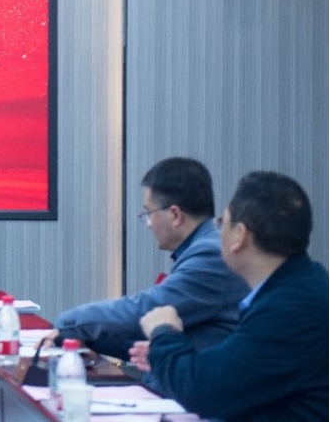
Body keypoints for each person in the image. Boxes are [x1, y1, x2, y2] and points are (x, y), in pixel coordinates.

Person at [132, 171, 328, 421]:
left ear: (240, 235)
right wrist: (168, 357)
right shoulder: (298, 287)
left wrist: (164, 332)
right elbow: (234, 372)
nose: (218, 233)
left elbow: (204, 391)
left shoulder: (292, 308)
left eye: (221, 224)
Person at [52, 157, 249, 390]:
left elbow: (146, 309)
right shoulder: (200, 249)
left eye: (148, 213)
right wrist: (85, 338)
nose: (148, 224)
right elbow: (148, 336)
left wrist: (68, 324)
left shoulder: (211, 255)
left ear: (175, 215)